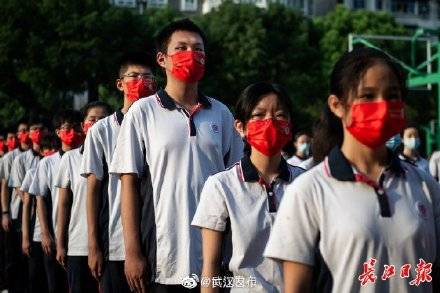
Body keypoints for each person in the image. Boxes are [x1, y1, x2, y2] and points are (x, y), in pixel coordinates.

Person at [264, 47, 440, 293]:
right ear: (337, 105)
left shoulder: (424, 185)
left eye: (392, 95)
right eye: (367, 96)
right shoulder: (308, 190)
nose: (382, 105)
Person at [109, 19, 243, 293]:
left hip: (215, 255)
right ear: (162, 59)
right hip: (162, 254)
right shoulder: (142, 112)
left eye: (198, 49)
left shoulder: (221, 113)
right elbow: (129, 183)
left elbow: (236, 183)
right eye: (181, 48)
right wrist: (132, 251)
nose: (191, 55)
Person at [192, 82, 304, 292]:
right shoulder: (221, 186)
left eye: (279, 115)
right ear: (240, 127)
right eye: (259, 115)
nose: (270, 122)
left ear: (289, 125)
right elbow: (211, 266)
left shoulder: (306, 185)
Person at [80, 52, 155, 293]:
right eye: (134, 76)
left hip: (157, 242)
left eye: (147, 77)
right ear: (120, 84)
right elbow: (92, 190)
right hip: (116, 244)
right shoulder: (101, 131)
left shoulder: (163, 126)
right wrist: (93, 245)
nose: (141, 81)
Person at [55, 101, 110, 293]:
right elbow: (63, 204)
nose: (96, 124)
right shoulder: (70, 158)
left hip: (113, 245)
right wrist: (61, 244)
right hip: (79, 245)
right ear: (82, 125)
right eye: (91, 119)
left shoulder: (119, 156)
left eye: (102, 119)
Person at [29, 110, 84, 293]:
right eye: (68, 128)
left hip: (81, 237)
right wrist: (45, 232)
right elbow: (40, 198)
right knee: (56, 285)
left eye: (77, 127)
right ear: (58, 132)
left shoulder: (87, 157)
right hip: (55, 235)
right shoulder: (47, 163)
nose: (73, 132)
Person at [21, 133, 59, 293]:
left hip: (58, 233)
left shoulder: (60, 167)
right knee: (37, 278)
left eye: (53, 148)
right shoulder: (32, 173)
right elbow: (27, 206)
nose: (50, 152)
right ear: (41, 152)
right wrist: (25, 238)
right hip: (38, 234)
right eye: (46, 149)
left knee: (55, 280)